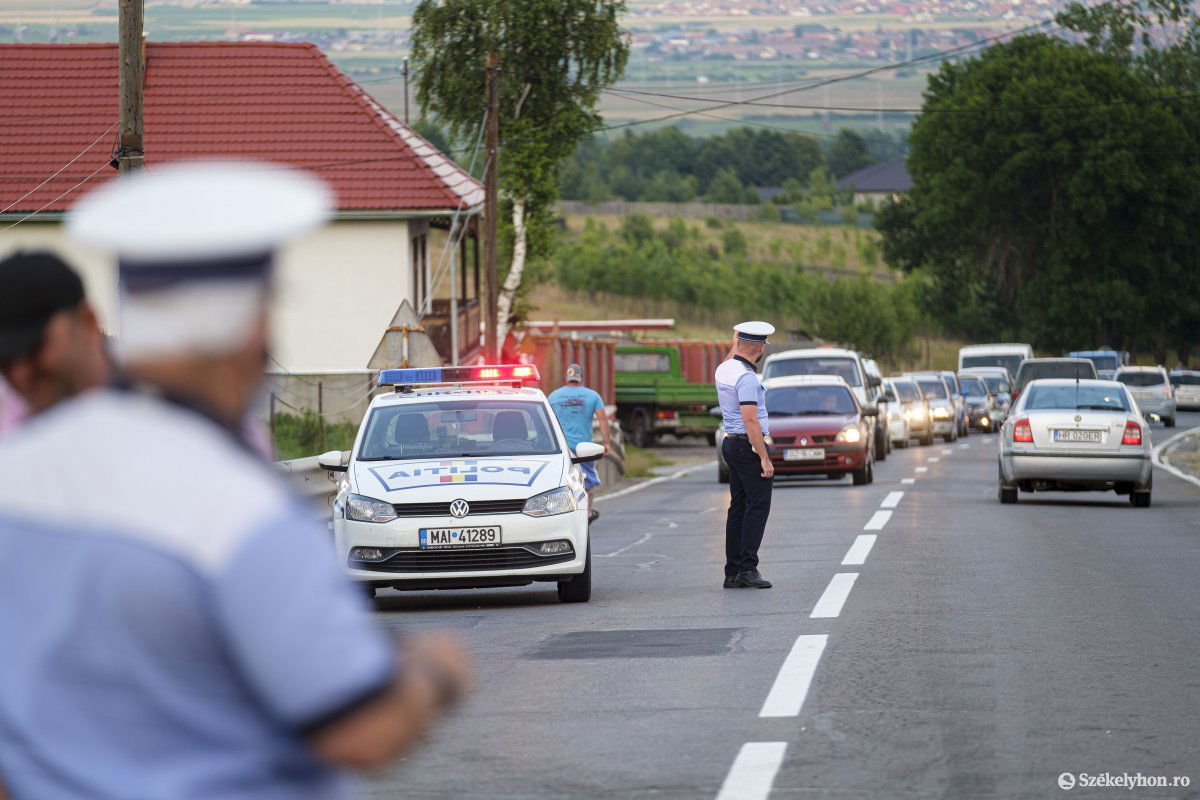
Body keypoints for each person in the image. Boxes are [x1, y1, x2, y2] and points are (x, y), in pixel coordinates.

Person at [0, 162, 469, 800]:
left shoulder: (19, 471)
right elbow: (361, 731)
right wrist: (433, 673)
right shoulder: (230, 507)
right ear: (253, 326)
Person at [0, 251, 110, 423]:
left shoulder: (154, 413)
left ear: (88, 322)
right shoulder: (13, 436)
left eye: (33, 348)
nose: (20, 374)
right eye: (5, 359)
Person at [715, 321, 776, 589]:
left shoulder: (726, 369)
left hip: (731, 444)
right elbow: (751, 421)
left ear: (739, 345)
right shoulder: (747, 379)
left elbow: (731, 359)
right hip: (748, 445)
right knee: (757, 506)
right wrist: (763, 456)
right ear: (761, 348)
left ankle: (733, 572)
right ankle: (748, 568)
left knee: (738, 507)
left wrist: (734, 344)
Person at [547, 362, 611, 523]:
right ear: (581, 377)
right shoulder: (593, 396)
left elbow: (546, 422)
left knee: (561, 481)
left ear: (567, 377)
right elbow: (603, 420)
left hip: (561, 448)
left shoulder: (553, 396)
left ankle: (562, 515)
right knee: (587, 481)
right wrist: (607, 443)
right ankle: (587, 513)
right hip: (584, 448)